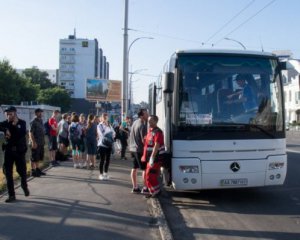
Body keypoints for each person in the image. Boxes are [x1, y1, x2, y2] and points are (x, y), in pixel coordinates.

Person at [0, 106, 29, 203]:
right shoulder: (5, 123)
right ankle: (11, 195)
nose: (8, 115)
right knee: (8, 173)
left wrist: (14, 125)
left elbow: (20, 134)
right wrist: (5, 129)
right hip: (8, 152)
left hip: (19, 152)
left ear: (15, 113)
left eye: (10, 114)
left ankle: (24, 185)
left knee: (22, 172)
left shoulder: (22, 123)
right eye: (7, 114)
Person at [142, 115, 165, 198]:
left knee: (149, 176)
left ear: (155, 121)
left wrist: (152, 157)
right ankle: (153, 191)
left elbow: (157, 145)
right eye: (148, 121)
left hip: (155, 158)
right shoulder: (150, 131)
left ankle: (156, 191)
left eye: (151, 121)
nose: (149, 122)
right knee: (148, 176)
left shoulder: (158, 132)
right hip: (149, 158)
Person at [129, 108, 148, 194]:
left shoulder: (135, 122)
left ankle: (135, 187)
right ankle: (145, 188)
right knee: (144, 169)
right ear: (141, 115)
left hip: (132, 149)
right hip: (140, 150)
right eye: (146, 113)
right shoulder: (142, 125)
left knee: (134, 168)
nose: (147, 115)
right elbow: (144, 140)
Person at [97, 113, 115, 180]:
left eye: (106, 117)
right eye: (104, 117)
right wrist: (106, 126)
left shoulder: (109, 125)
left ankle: (105, 173)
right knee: (102, 160)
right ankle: (101, 174)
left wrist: (112, 135)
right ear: (102, 118)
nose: (105, 119)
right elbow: (102, 134)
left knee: (108, 160)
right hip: (102, 144)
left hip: (109, 144)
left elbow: (114, 133)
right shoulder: (100, 125)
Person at [29, 108, 46, 177]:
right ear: (36, 113)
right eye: (39, 112)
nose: (41, 114)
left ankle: (37, 169)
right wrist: (33, 142)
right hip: (35, 142)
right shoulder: (33, 121)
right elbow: (30, 132)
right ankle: (33, 171)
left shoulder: (41, 120)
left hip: (41, 142)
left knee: (38, 157)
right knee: (33, 157)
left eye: (41, 112)